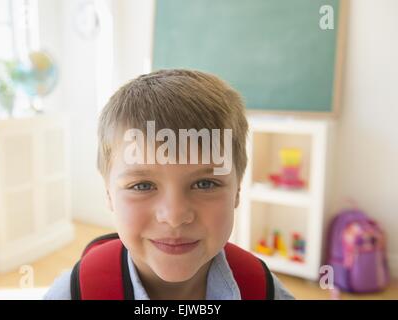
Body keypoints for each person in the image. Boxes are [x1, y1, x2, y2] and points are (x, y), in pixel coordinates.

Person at [44, 69, 294, 300]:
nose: (174, 216)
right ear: (109, 193)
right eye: (142, 186)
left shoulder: (264, 290)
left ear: (238, 189)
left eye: (205, 184)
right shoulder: (73, 293)